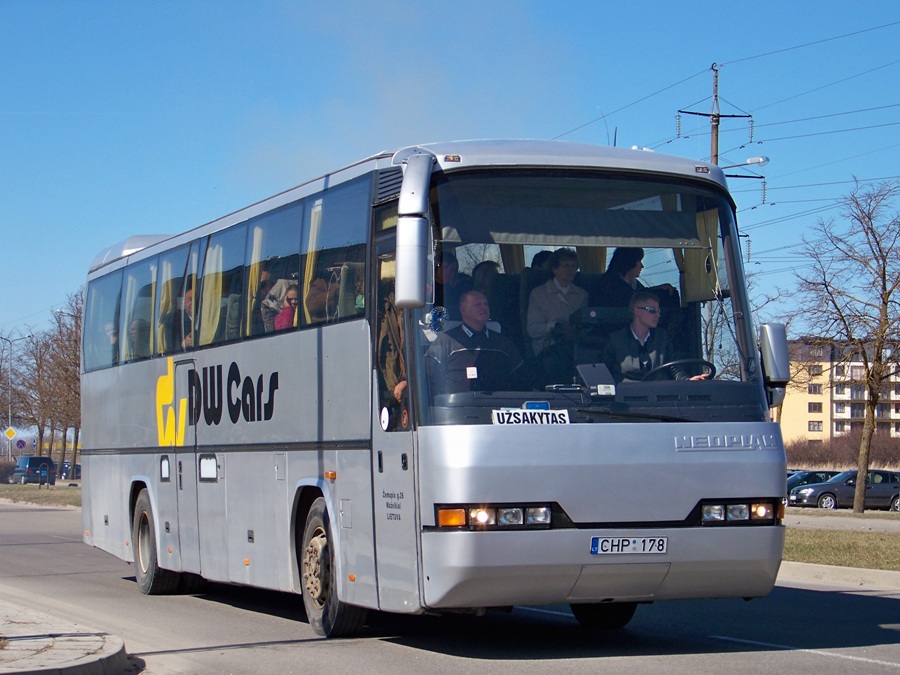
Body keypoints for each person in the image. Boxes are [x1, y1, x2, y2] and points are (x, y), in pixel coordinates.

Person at [426, 290, 524, 396]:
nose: (484, 308)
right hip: (457, 409)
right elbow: (427, 379)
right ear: (463, 310)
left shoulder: (503, 343)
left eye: (486, 304)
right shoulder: (445, 341)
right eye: (478, 305)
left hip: (498, 408)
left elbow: (520, 380)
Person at [601, 290, 709, 382]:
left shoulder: (662, 337)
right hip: (625, 402)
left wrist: (687, 382)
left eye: (659, 311)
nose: (658, 315)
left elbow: (674, 367)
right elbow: (603, 375)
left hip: (658, 400)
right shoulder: (615, 340)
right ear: (637, 311)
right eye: (652, 310)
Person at [526, 247, 589, 358]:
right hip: (547, 350)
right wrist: (555, 325)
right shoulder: (539, 294)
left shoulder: (582, 295)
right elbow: (532, 329)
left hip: (576, 349)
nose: (570, 270)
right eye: (566, 265)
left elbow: (585, 327)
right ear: (554, 269)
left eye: (574, 266)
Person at [434, 252, 472, 319]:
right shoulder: (428, 288)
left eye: (453, 269)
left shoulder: (456, 291)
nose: (449, 272)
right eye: (446, 267)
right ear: (437, 267)